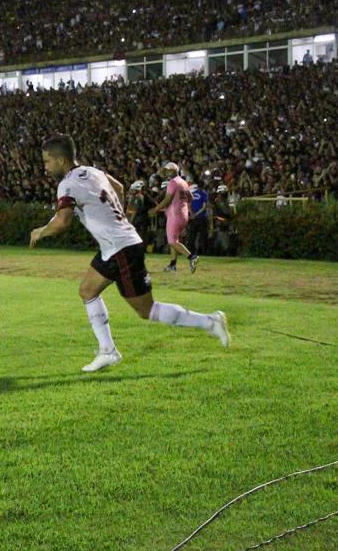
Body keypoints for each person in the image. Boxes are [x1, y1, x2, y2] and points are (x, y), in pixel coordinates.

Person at [29, 135, 230, 373]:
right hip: (114, 246)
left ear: (61, 160)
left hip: (121, 248)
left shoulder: (67, 184)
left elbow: (62, 221)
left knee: (147, 310)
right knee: (87, 290)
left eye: (47, 162)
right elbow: (119, 187)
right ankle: (108, 351)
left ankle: (210, 321)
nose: (45, 167)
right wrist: (117, 218)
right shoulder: (92, 172)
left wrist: (40, 232)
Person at [152, 162, 198, 273]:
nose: (167, 173)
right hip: (183, 215)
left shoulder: (173, 182)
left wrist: (155, 209)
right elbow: (190, 198)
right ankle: (172, 265)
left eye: (168, 170)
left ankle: (191, 257)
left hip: (174, 215)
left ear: (173, 171)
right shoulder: (183, 182)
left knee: (172, 242)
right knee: (174, 240)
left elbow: (167, 199)